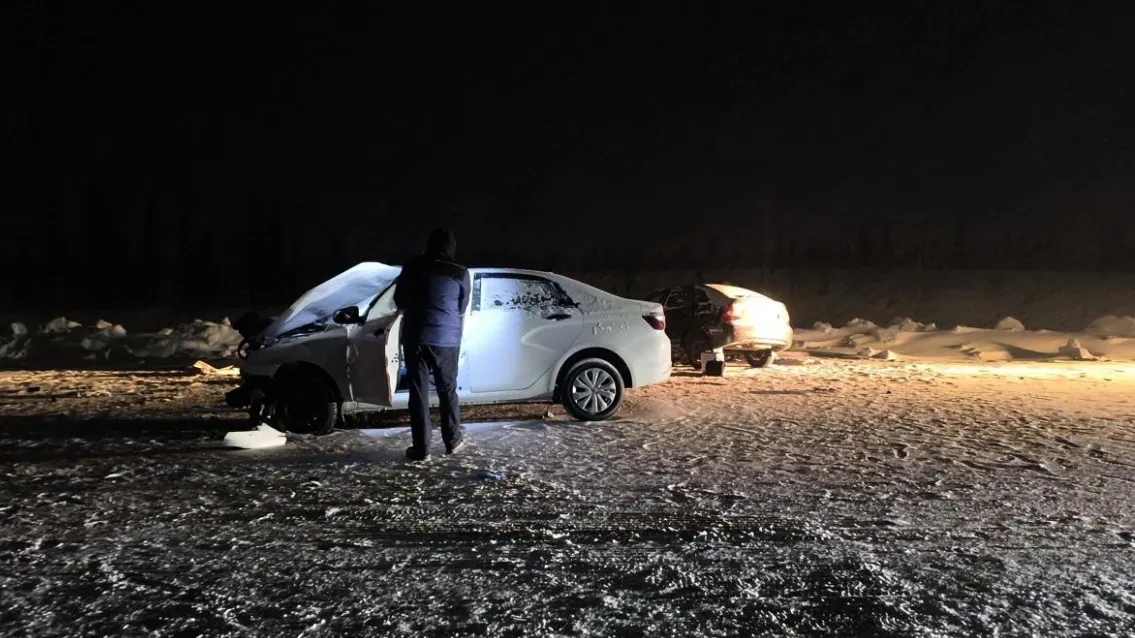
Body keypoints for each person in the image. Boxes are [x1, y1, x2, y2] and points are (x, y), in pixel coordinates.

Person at [393, 228, 471, 460]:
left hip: (416, 337)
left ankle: (422, 449)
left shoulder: (412, 267)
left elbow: (399, 300)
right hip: (446, 340)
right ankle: (453, 441)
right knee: (447, 390)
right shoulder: (459, 272)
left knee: (418, 393)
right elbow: (461, 305)